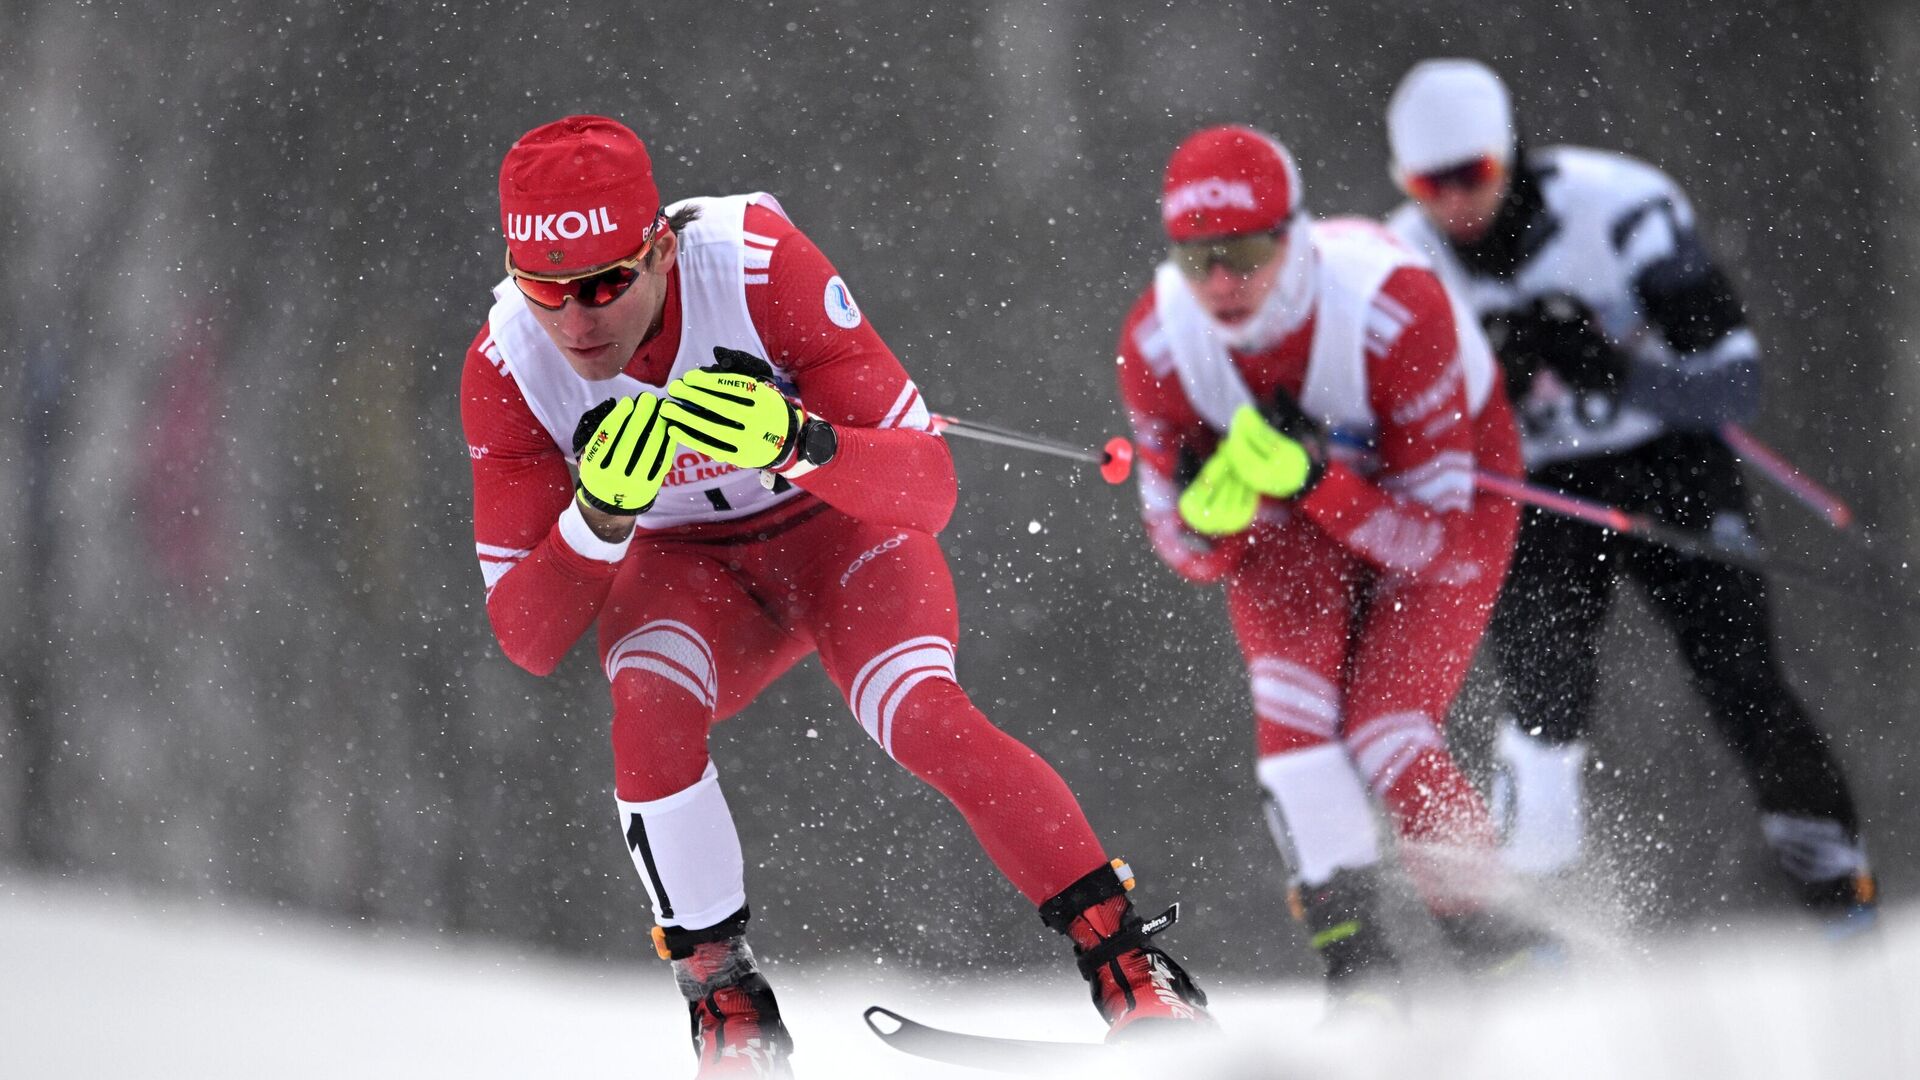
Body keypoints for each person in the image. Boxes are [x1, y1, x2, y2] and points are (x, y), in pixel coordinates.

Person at [462, 115, 1210, 1077]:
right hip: (692, 576)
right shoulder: (506, 366)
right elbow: (526, 638)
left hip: (840, 544)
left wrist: (800, 442)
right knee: (645, 718)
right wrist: (595, 519)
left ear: (660, 247)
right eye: (547, 292)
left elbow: (929, 488)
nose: (578, 322)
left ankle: (1131, 966)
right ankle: (727, 1005)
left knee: (925, 717)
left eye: (606, 283)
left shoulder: (757, 267)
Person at [1383, 59, 1877, 926]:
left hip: (1668, 461)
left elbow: (1735, 384)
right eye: (1431, 184)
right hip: (1533, 489)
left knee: (1740, 676)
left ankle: (1838, 887)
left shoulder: (1620, 206)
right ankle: (1533, 915)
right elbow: (1394, 439)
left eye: (1475, 176)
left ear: (1510, 155)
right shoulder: (1399, 262)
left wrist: (1614, 368)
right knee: (1543, 692)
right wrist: (1479, 389)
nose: (1455, 201)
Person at [1114, 124, 1543, 999]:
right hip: (1293, 518)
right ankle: (1364, 976)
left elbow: (1443, 545)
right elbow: (1177, 541)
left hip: (1446, 500)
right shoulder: (1161, 342)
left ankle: (1506, 956)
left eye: (1244, 252)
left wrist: (1320, 482)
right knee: (1297, 737)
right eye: (1198, 261)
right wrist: (1211, 526)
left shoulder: (1392, 313)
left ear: (1294, 235)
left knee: (1387, 729)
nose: (1223, 283)